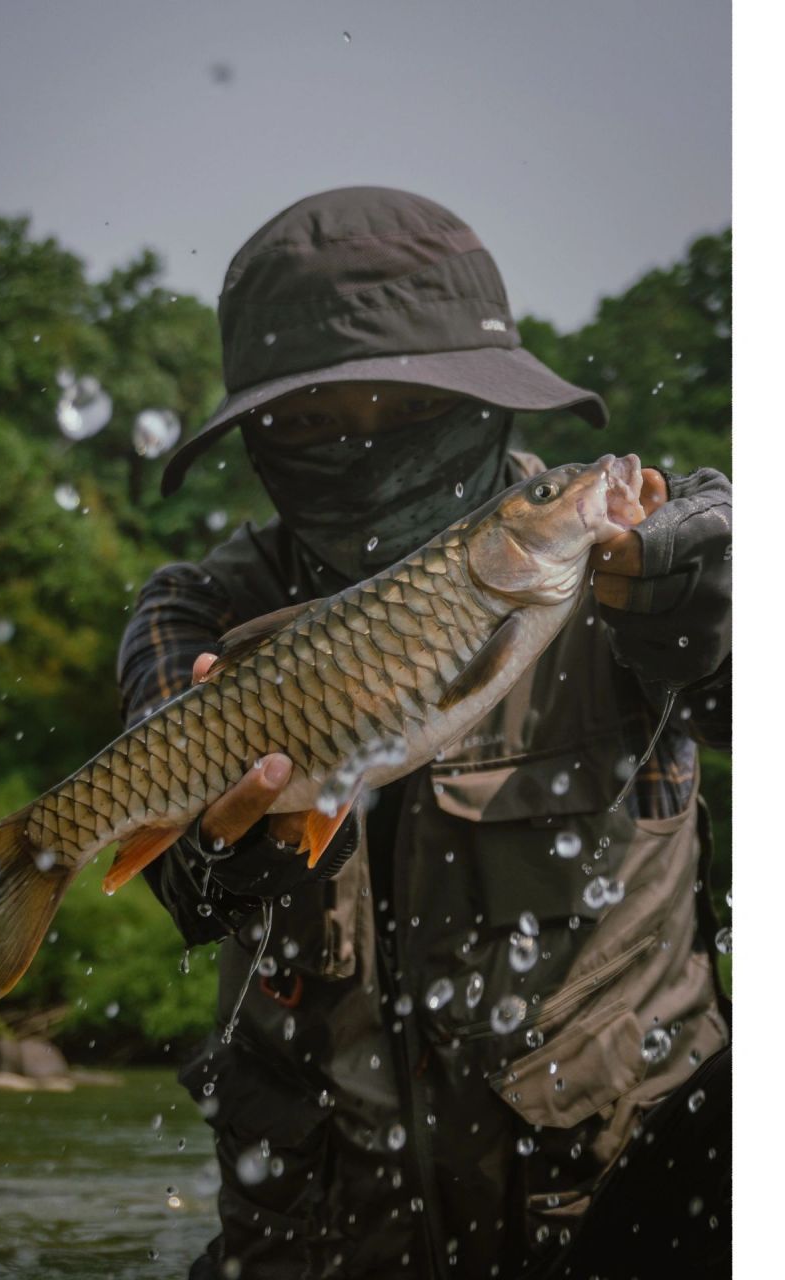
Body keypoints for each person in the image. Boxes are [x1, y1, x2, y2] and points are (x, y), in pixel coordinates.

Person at [118, 188, 731, 1280]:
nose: (361, 454)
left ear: (486, 405)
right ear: (256, 435)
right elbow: (175, 873)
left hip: (620, 1220)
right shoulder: (196, 615)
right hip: (318, 1239)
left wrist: (723, 606)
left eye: (406, 410)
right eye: (308, 424)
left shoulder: (627, 553)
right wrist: (218, 860)